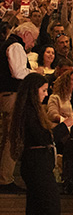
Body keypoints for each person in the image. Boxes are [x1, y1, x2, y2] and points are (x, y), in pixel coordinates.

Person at [7, 73, 58, 215]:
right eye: (43, 90)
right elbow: (41, 136)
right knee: (49, 208)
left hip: (36, 163)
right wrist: (64, 127)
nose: (46, 94)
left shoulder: (28, 110)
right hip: (37, 163)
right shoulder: (29, 111)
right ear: (34, 91)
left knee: (36, 210)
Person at [0, 21, 38, 192]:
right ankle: (5, 179)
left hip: (8, 96)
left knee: (7, 137)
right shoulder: (16, 45)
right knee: (12, 137)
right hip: (12, 97)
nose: (33, 44)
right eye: (33, 39)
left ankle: (4, 177)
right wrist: (36, 73)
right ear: (26, 34)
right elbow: (18, 72)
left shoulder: (11, 44)